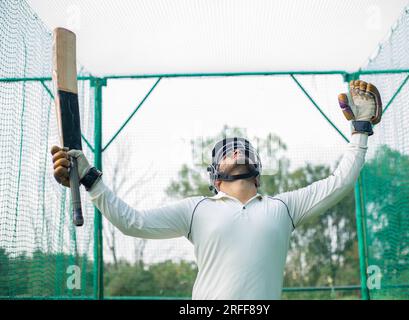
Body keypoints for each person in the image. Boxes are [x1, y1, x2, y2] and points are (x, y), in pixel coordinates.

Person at [51, 80, 382, 299]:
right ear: (215, 177)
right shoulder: (197, 210)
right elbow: (132, 222)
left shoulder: (283, 207)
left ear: (258, 170)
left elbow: (342, 180)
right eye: (226, 151)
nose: (237, 152)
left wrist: (361, 130)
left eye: (243, 148)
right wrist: (90, 179)